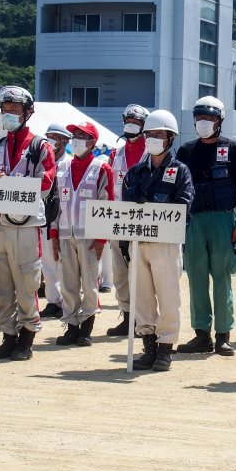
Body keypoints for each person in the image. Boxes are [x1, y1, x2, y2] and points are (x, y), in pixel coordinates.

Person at [0, 85, 56, 361]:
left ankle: (26, 338)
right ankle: (7, 336)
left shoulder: (40, 146)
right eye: (5, 110)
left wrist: (16, 183)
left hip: (25, 227)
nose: (8, 115)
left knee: (27, 284)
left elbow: (47, 180)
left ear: (27, 113)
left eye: (14, 110)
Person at [175, 96, 236, 356]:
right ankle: (201, 334)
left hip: (223, 218)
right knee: (196, 277)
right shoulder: (185, 150)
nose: (204, 123)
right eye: (199, 118)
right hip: (194, 220)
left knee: (222, 277)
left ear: (220, 120)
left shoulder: (233, 148)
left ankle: (223, 335)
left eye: (209, 118)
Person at [122, 110, 195, 371]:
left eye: (159, 135)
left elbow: (185, 206)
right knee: (141, 297)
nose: (152, 139)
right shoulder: (135, 172)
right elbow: (124, 207)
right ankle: (148, 347)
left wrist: (154, 210)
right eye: (149, 134)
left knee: (168, 297)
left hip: (166, 243)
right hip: (138, 241)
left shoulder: (180, 171)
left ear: (170, 138)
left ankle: (166, 348)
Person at [50, 122, 114, 347]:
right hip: (66, 234)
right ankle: (71, 326)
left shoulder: (101, 168)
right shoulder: (62, 168)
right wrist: (54, 234)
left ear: (92, 142)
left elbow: (108, 204)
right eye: (74, 134)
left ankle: (86, 327)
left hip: (90, 237)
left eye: (81, 135)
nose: (76, 138)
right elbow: (56, 204)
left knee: (89, 283)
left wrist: (101, 239)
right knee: (67, 283)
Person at [106, 104, 150, 336]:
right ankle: (126, 316)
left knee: (141, 271)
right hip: (118, 220)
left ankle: (143, 317)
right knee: (120, 272)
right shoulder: (116, 153)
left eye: (136, 121)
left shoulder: (151, 151)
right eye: (128, 120)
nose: (130, 124)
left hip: (143, 222)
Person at [38, 123, 71, 320]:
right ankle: (53, 300)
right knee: (47, 263)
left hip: (64, 220)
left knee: (63, 264)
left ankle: (66, 302)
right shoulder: (43, 163)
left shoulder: (68, 164)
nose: (51, 140)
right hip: (45, 217)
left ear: (65, 141)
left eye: (55, 137)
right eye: (49, 136)